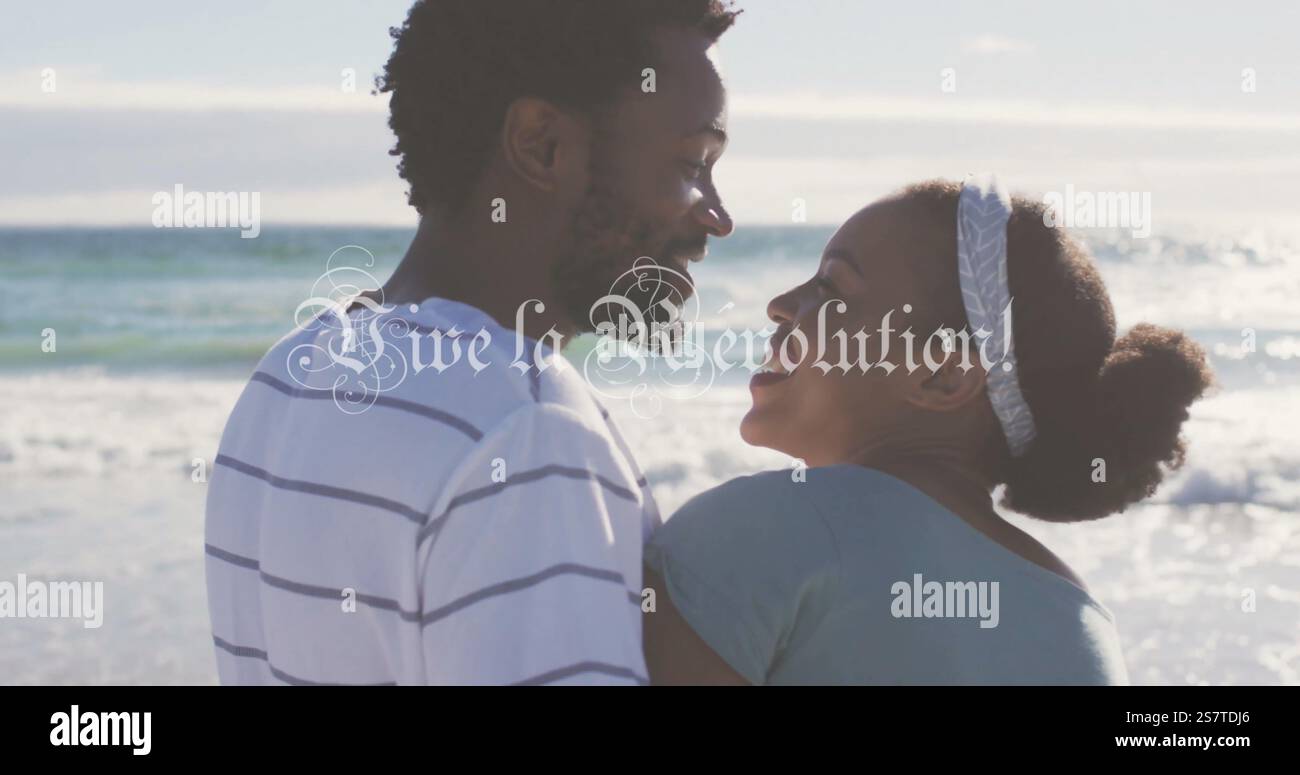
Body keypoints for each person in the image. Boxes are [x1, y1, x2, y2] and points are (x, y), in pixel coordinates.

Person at [204, 0, 739, 686]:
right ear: (541, 145)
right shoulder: (526, 429)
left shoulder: (287, 376)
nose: (718, 216)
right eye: (694, 161)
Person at [643, 177, 1214, 685]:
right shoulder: (1078, 621)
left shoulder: (767, 528)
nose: (780, 305)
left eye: (833, 290)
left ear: (945, 373)